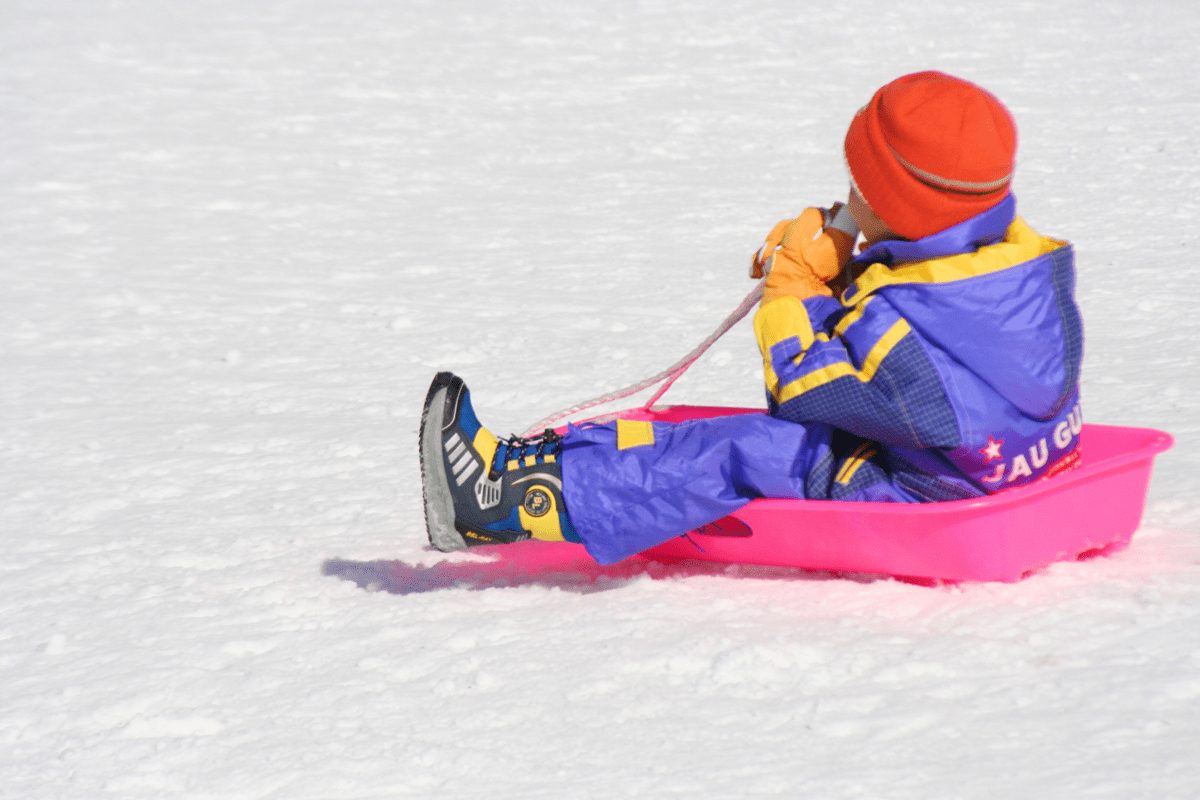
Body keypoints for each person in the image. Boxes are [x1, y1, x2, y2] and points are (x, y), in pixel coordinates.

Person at [419, 70, 1084, 565]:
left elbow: (805, 391)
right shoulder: (1023, 270)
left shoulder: (905, 337)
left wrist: (796, 285)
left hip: (921, 496)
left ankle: (499, 502)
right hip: (986, 464)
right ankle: (550, 469)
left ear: (899, 201)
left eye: (861, 186)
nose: (848, 195)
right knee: (726, 437)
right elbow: (920, 340)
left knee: (741, 449)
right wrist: (852, 269)